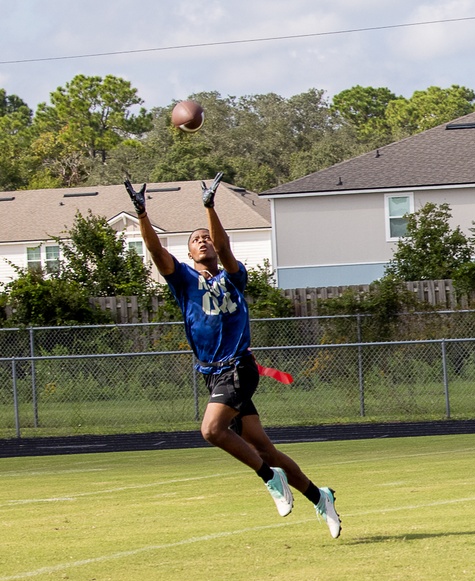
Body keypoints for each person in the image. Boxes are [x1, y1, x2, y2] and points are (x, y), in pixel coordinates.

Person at [124, 174, 341, 538]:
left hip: (239, 368)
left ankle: (270, 480)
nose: (202, 241)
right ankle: (320, 497)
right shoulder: (182, 281)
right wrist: (142, 214)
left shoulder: (232, 277)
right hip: (213, 373)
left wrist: (210, 206)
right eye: (195, 240)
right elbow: (156, 251)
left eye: (205, 236)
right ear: (189, 253)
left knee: (211, 430)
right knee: (264, 448)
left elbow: (224, 246)